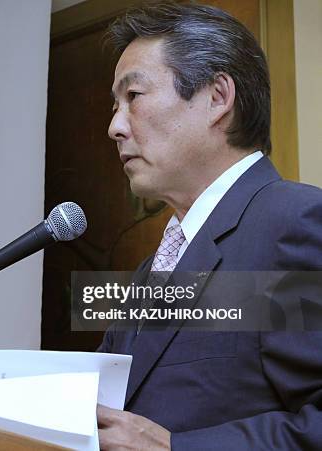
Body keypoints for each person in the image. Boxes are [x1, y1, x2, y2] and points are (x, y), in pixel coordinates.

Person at [97, 3, 322, 450]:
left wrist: (175, 448)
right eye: (114, 105)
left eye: (134, 97)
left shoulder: (296, 223)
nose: (114, 126)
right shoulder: (150, 270)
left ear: (218, 98)